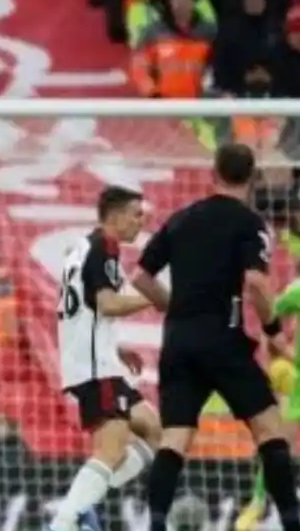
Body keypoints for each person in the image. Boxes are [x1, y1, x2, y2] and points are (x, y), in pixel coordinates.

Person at [131, 143, 300, 531]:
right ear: (253, 177)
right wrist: (273, 331)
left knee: (175, 438)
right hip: (223, 341)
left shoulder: (181, 219)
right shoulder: (251, 224)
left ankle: (155, 523)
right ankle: (291, 521)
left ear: (214, 173)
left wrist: (172, 307)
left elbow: (140, 277)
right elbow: (256, 283)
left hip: (178, 342)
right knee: (270, 430)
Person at [48, 186, 161, 531]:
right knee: (113, 448)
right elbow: (109, 304)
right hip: (94, 369)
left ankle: (83, 504)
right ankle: (66, 520)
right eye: (135, 214)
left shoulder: (83, 248)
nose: (140, 222)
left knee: (153, 429)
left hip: (99, 362)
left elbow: (85, 310)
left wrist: (116, 348)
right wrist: (155, 299)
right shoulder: (103, 248)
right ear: (114, 216)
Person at [237, 265, 300, 527]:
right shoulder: (297, 291)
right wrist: (284, 358)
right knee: (279, 445)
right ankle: (258, 502)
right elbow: (270, 321)